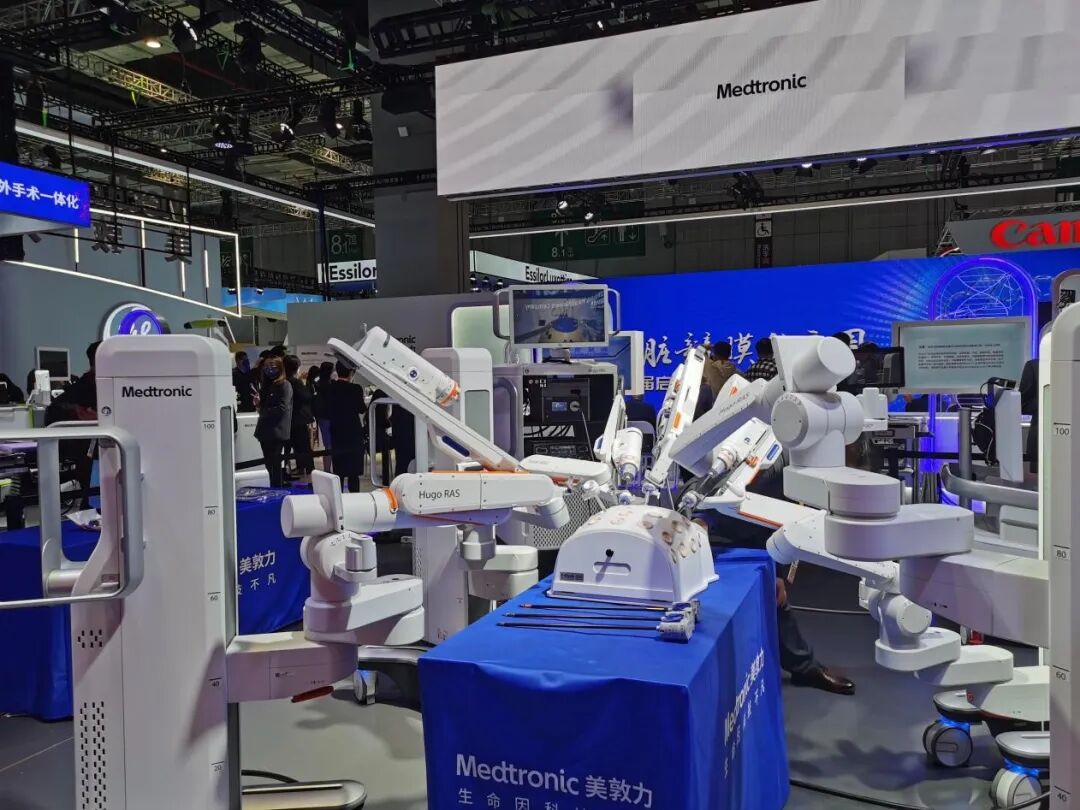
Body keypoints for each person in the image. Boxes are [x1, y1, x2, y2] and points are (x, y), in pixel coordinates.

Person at [692, 467, 856, 696]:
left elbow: (777, 518)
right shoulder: (727, 457)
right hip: (709, 536)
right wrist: (702, 520)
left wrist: (776, 571)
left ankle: (804, 668)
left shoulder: (783, 468)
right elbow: (702, 489)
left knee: (775, 600)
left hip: (755, 540)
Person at [327, 360, 367, 493]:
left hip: (337, 430)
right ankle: (354, 497)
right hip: (353, 431)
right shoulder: (356, 389)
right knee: (353, 471)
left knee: (339, 470)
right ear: (351, 372)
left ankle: (338, 498)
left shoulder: (331, 388)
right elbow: (362, 408)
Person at [254, 356, 293, 488]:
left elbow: (282, 408)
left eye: (272, 367)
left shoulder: (284, 385)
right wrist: (258, 404)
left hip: (277, 431)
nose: (269, 370)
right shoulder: (266, 385)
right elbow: (264, 406)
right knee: (268, 464)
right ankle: (272, 487)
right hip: (264, 431)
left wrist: (264, 411)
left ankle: (277, 488)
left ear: (280, 368)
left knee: (275, 464)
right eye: (266, 367)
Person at [284, 355, 315, 484]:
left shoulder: (283, 381)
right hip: (298, 418)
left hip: (288, 419)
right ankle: (307, 468)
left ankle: (298, 467)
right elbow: (306, 396)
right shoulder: (295, 382)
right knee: (303, 445)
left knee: (292, 446)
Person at [315, 361, 336, 473]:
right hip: (330, 417)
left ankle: (327, 470)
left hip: (322, 417)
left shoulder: (318, 383)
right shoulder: (329, 385)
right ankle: (330, 469)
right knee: (331, 445)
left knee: (328, 445)